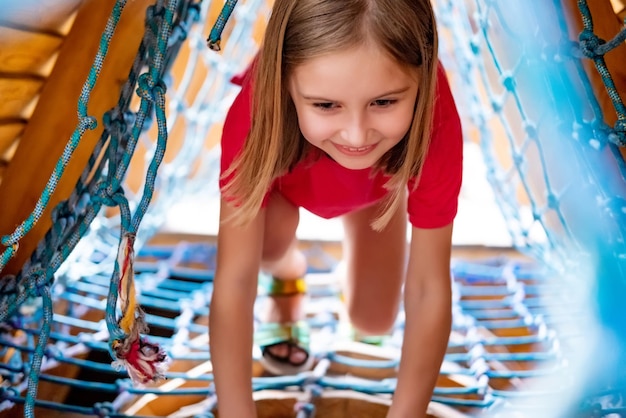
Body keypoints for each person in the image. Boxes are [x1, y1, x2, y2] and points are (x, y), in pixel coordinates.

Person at [209, 0, 463, 416]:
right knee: (265, 249)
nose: (356, 133)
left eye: (384, 102)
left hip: (376, 190)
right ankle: (289, 274)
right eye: (326, 105)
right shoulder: (254, 116)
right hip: (285, 193)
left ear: (421, 80)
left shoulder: (434, 118)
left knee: (374, 320)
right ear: (285, 83)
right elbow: (234, 282)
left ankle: (368, 243)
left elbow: (428, 287)